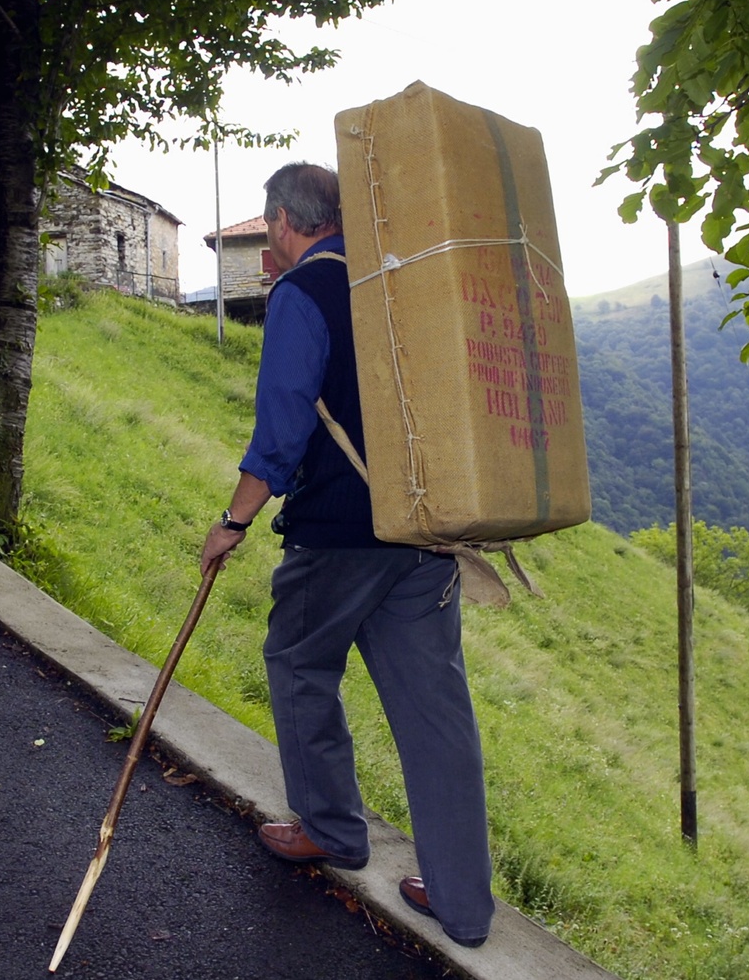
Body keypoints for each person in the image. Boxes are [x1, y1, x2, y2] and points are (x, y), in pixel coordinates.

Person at [199, 162, 494, 948]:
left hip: (337, 534)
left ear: (284, 223)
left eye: (270, 232)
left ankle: (333, 829)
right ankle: (463, 903)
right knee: (437, 717)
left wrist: (231, 521)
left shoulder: (304, 294)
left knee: (299, 664)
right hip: (426, 532)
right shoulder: (397, 284)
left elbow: (282, 429)